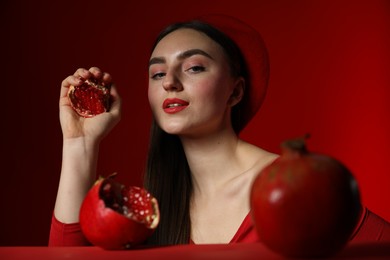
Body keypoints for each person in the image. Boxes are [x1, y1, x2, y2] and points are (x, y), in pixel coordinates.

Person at [49, 14, 390, 247]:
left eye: (194, 67)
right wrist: (80, 142)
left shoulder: (296, 184)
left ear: (236, 91)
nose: (170, 82)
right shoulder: (149, 211)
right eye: (156, 74)